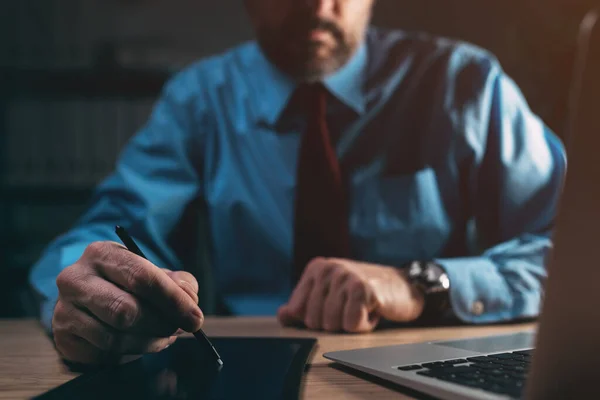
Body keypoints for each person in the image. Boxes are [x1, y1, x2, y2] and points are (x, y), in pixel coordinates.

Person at [29, 0, 566, 366]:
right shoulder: (200, 100)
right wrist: (88, 286)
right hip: (246, 376)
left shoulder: (466, 84)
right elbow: (104, 233)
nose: (316, 1)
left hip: (429, 367)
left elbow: (574, 253)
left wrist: (423, 284)